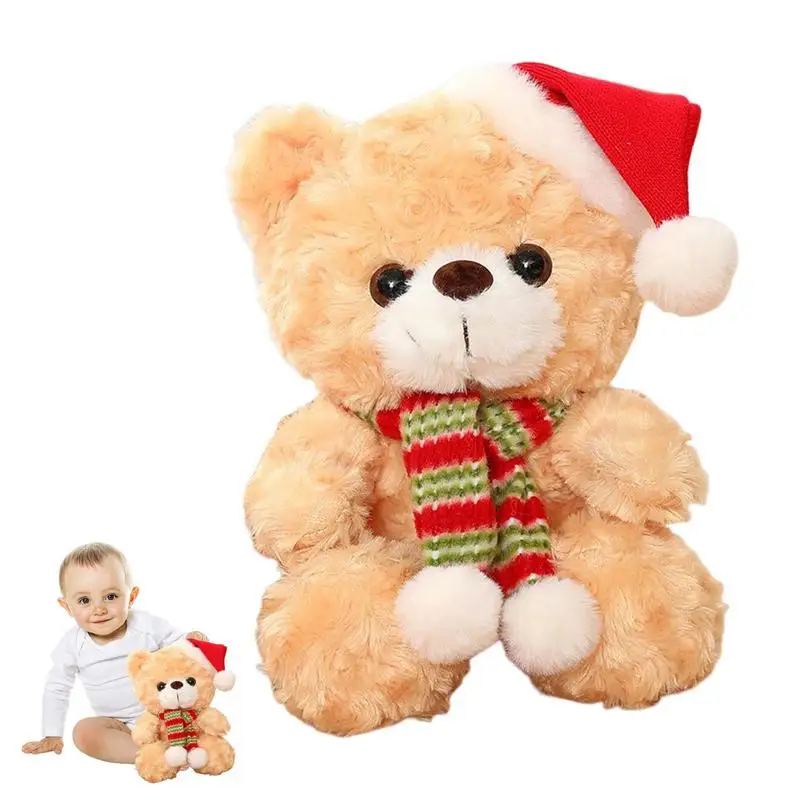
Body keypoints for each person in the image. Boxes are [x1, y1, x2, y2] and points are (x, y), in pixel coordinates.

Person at [21, 542, 206, 764]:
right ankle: (153, 757)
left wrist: (192, 642)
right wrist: (52, 734)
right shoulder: (72, 645)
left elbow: (178, 645)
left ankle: (181, 743)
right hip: (119, 727)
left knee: (198, 716)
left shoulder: (145, 625)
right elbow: (57, 688)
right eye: (84, 600)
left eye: (110, 596)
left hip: (166, 713)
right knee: (84, 732)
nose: (99, 609)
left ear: (132, 596)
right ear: (67, 607)